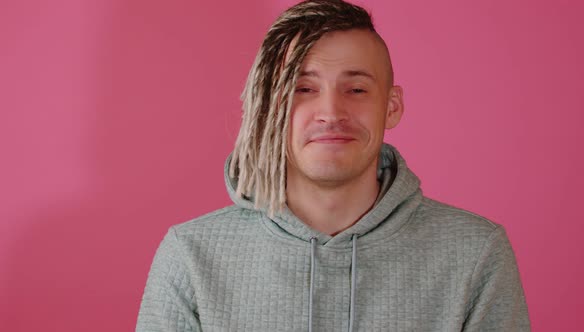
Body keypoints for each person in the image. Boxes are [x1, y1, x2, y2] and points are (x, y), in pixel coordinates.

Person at [136, 0, 530, 331]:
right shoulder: (190, 255)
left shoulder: (476, 253)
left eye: (356, 89)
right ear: (269, 106)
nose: (330, 111)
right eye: (303, 89)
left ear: (391, 106)